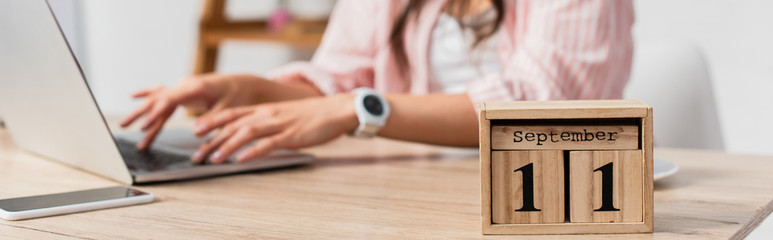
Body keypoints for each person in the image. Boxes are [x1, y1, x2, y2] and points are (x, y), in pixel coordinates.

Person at [121, 0, 634, 164]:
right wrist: (251, 90)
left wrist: (363, 109)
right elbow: (342, 79)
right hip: (419, 186)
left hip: (547, 194)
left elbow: (545, 105)